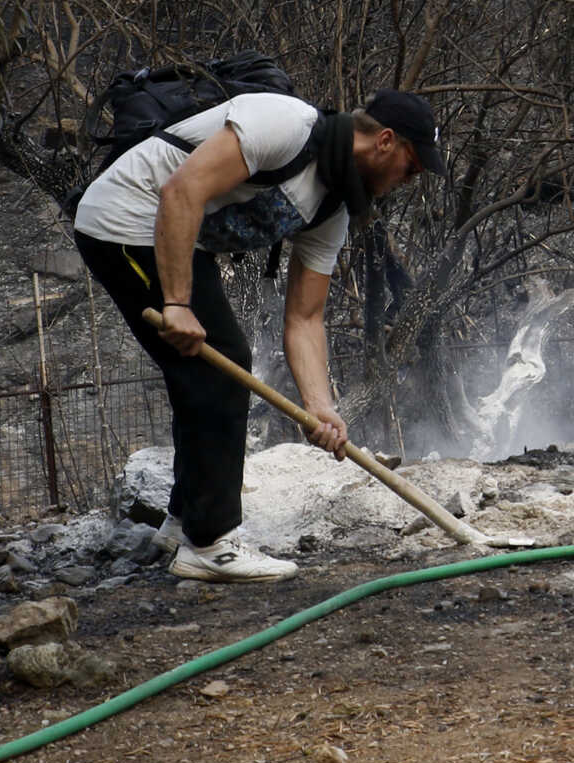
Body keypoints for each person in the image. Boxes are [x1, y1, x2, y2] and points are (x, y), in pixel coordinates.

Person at [71, 87, 446, 582]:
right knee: (221, 365)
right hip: (126, 218)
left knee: (203, 372)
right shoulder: (284, 124)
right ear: (385, 141)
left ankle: (183, 521)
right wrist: (178, 303)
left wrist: (321, 406)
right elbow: (181, 190)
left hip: (176, 234)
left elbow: (305, 318)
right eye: (411, 166)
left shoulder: (331, 207)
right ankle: (210, 544)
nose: (407, 180)